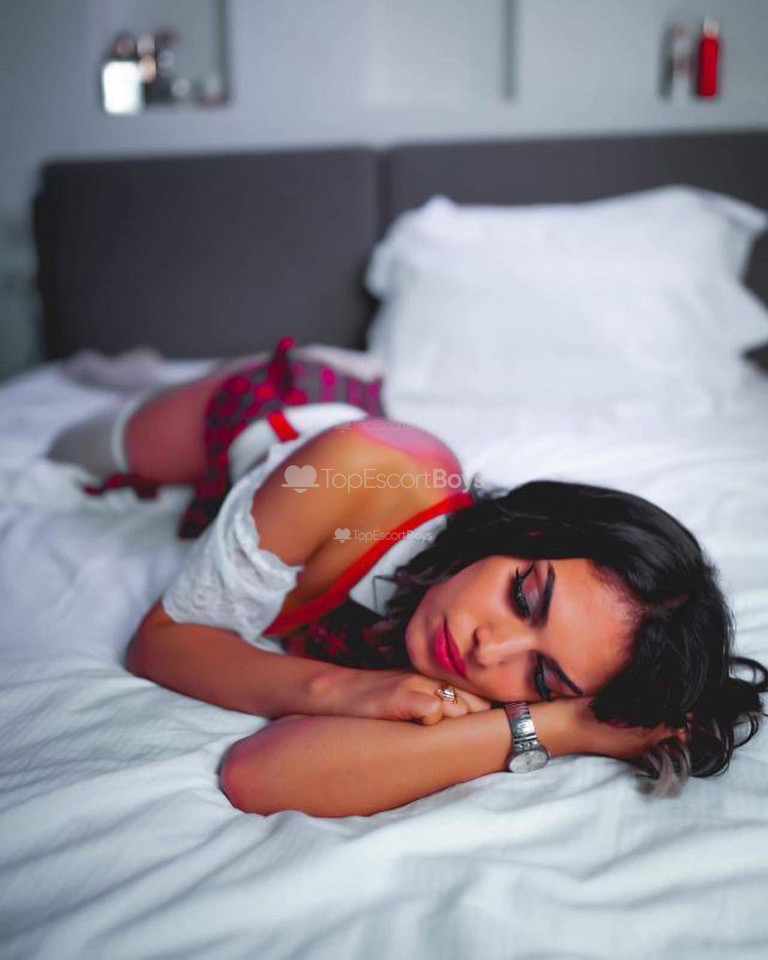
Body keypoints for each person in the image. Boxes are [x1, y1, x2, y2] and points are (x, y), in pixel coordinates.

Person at [49, 339, 768, 818]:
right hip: (281, 430)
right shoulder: (361, 466)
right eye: (524, 597)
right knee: (80, 449)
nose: (490, 649)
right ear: (528, 533)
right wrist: (349, 689)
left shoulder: (499, 684)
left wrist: (561, 725)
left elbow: (259, 777)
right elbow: (160, 642)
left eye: (543, 676)